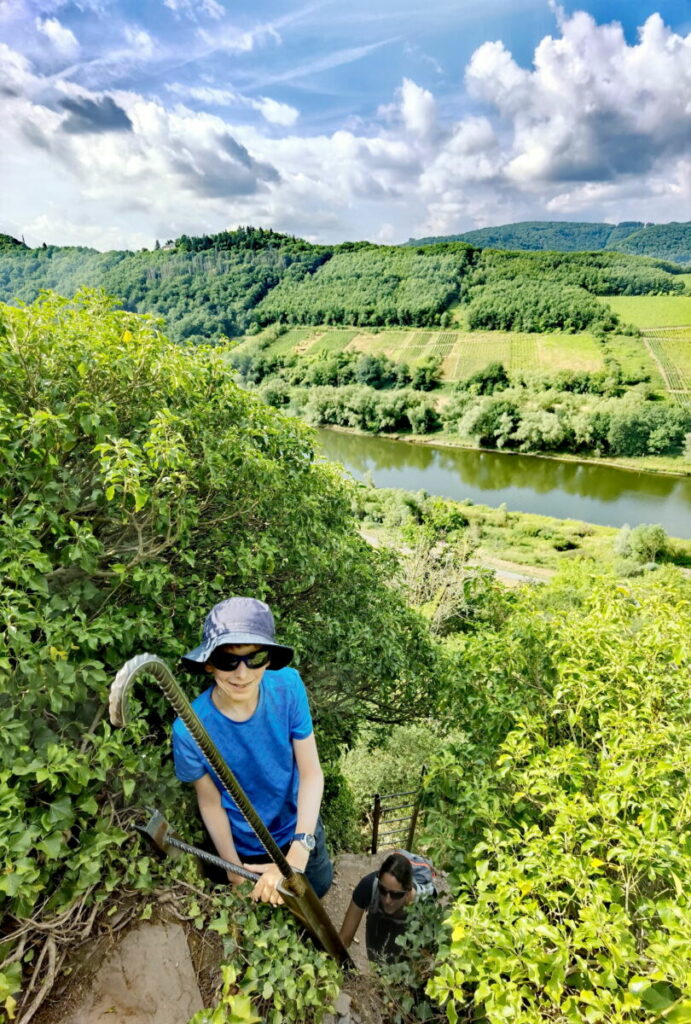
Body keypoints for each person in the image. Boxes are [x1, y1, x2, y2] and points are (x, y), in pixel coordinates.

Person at [172, 596, 333, 905]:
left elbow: (311, 773)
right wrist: (233, 870)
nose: (241, 674)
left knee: (315, 896)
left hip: (300, 830)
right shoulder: (189, 729)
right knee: (270, 916)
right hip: (247, 847)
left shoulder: (288, 686)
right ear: (208, 663)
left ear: (269, 658)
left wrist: (298, 852)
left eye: (254, 658)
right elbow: (211, 803)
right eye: (227, 660)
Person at [339, 852, 427, 963]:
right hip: (376, 940)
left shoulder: (423, 907)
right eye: (383, 890)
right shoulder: (368, 886)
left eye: (395, 894)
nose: (387, 900)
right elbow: (344, 939)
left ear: (408, 892)